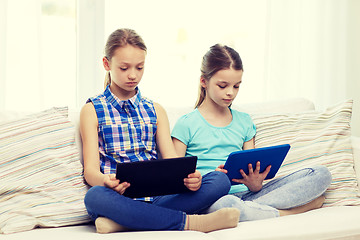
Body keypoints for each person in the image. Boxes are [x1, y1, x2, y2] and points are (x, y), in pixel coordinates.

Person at [80, 29, 240, 233]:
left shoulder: (155, 110)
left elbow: (173, 162)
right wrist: (105, 181)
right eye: (124, 68)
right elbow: (91, 172)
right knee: (93, 197)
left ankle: (124, 222)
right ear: (106, 64)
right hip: (117, 196)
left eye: (139, 67)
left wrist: (190, 178)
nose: (133, 75)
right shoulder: (92, 110)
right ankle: (191, 222)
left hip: (159, 196)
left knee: (220, 180)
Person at [171, 44, 333, 222]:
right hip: (214, 200)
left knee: (320, 174)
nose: (230, 93)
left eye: (236, 86)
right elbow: (174, 178)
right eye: (223, 86)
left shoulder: (244, 122)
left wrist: (255, 183)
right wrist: (201, 181)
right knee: (229, 205)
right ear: (204, 81)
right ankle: (287, 212)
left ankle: (253, 211)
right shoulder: (186, 124)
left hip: (248, 195)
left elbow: (251, 166)